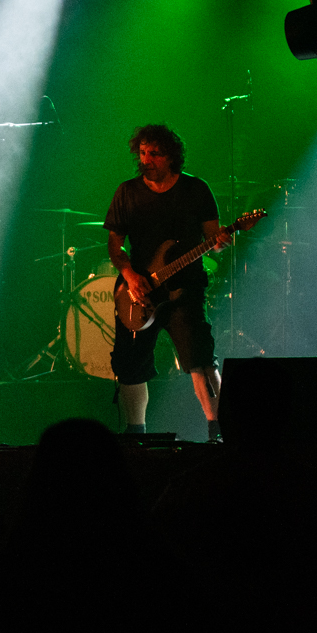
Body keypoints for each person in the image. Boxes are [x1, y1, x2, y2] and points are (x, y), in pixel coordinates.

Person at [106, 124, 230, 440]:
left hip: (185, 289)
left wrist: (220, 241)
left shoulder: (196, 189)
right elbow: (115, 246)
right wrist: (130, 276)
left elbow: (213, 238)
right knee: (129, 365)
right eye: (143, 153)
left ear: (171, 156)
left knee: (200, 360)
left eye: (155, 154)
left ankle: (218, 432)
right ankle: (136, 435)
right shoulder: (127, 192)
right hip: (139, 292)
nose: (146, 160)